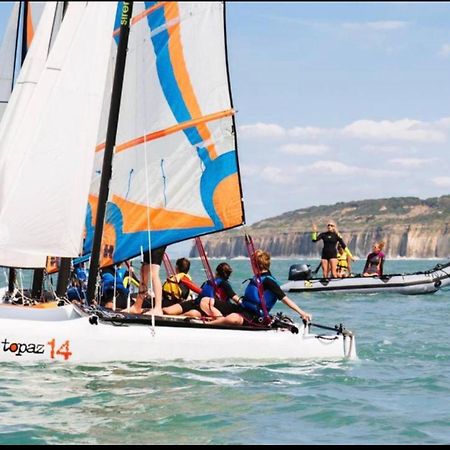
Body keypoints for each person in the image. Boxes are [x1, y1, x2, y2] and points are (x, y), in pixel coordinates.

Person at [207, 250, 311, 327]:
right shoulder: (257, 278)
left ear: (256, 264)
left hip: (254, 316)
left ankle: (208, 324)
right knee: (207, 301)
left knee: (233, 318)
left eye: (252, 262)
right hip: (242, 308)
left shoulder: (269, 281)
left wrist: (302, 313)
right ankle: (210, 320)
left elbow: (285, 299)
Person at [163, 262, 240, 318]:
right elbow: (235, 298)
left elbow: (201, 292)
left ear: (216, 272)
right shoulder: (225, 284)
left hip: (194, 302)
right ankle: (180, 317)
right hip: (204, 308)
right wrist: (244, 305)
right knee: (193, 313)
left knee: (167, 310)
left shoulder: (207, 282)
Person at [128, 245, 167, 315]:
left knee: (153, 272)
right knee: (144, 270)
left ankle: (158, 308)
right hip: (149, 239)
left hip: (158, 238)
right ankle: (137, 306)